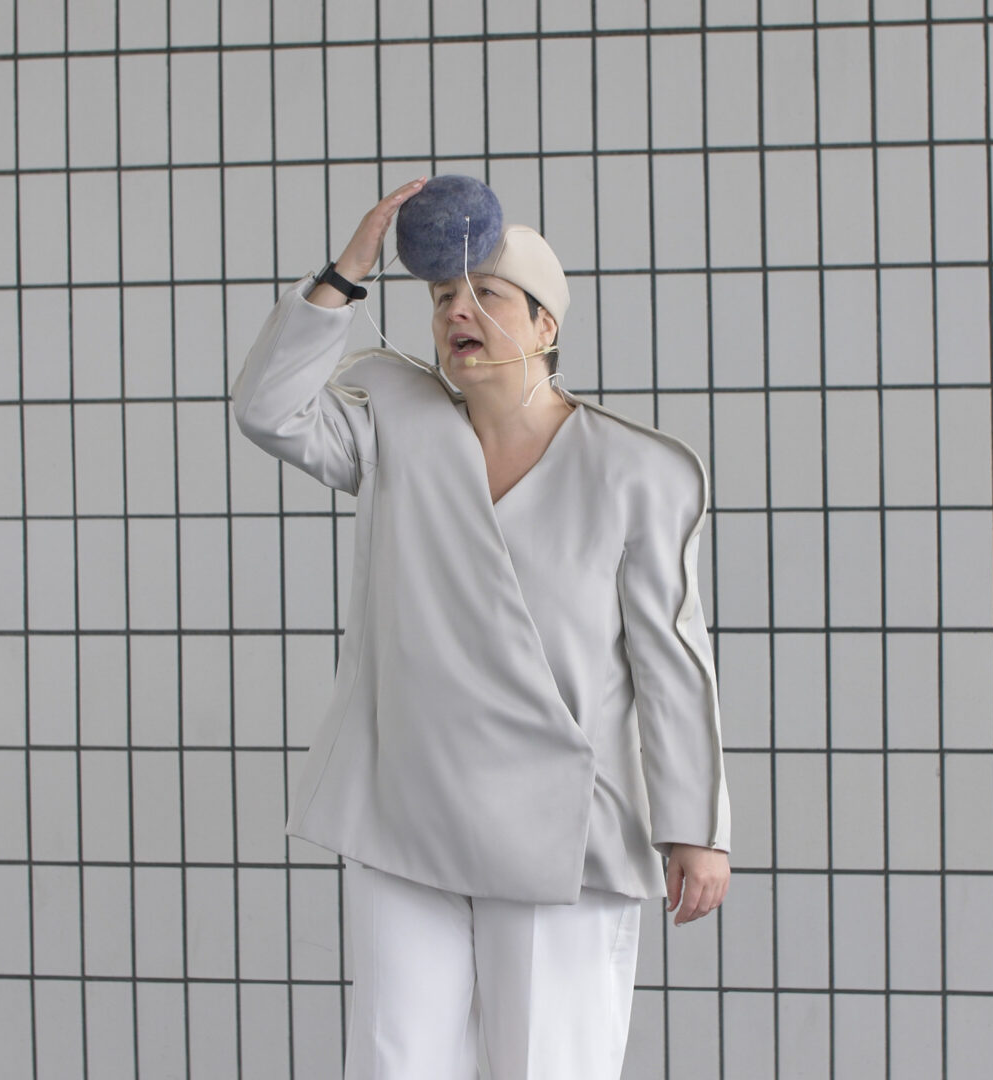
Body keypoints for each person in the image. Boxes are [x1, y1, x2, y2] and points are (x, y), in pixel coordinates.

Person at [231, 177, 731, 1079]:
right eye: (440, 297)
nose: (458, 312)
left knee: (548, 1064)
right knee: (398, 1062)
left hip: (564, 828)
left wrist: (694, 824)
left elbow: (670, 659)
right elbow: (267, 409)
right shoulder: (401, 429)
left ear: (546, 324)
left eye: (486, 294)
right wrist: (348, 273)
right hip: (407, 804)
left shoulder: (634, 470)